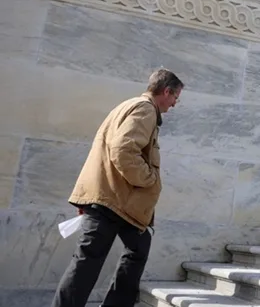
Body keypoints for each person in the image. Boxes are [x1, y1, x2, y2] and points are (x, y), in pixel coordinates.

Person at [51, 69, 184, 307]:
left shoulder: (128, 106)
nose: (175, 103)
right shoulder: (144, 109)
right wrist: (149, 179)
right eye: (176, 97)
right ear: (166, 91)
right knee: (87, 263)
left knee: (135, 248)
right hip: (114, 202)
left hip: (117, 202)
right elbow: (123, 150)